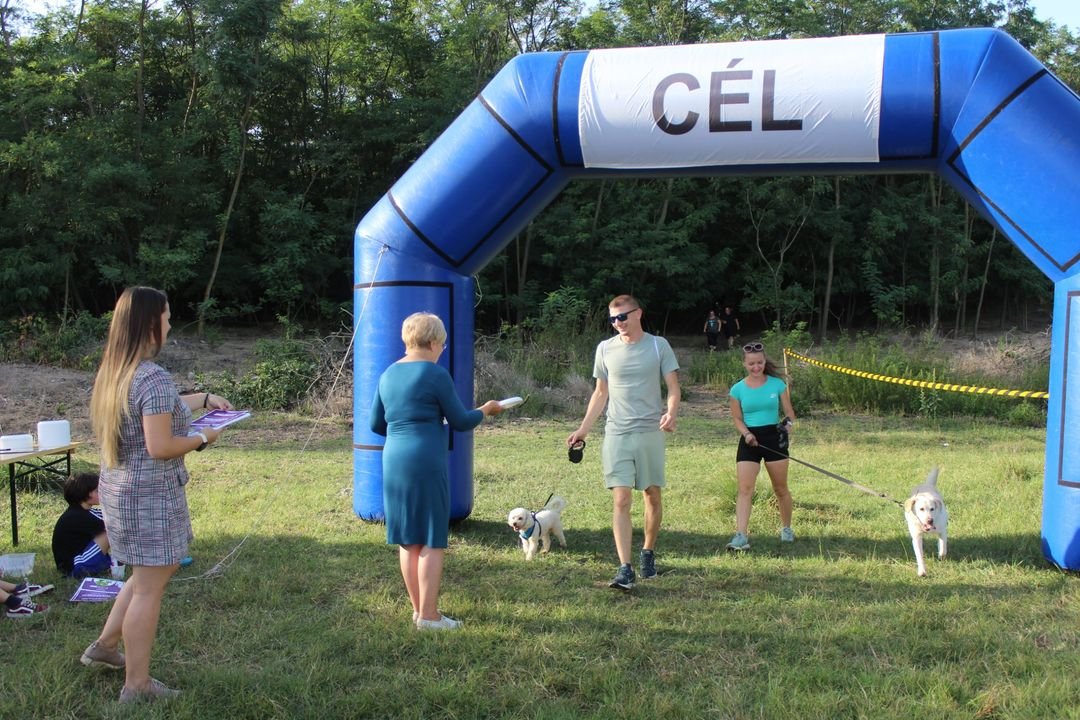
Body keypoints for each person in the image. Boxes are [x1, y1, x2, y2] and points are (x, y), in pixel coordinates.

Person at [83, 286, 233, 703]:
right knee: (149, 587)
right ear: (151, 323)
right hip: (149, 497)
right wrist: (203, 436)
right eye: (167, 318)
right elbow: (161, 445)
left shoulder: (116, 371)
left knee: (144, 576)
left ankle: (105, 646)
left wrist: (203, 398)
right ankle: (137, 685)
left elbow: (157, 407)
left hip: (120, 492)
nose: (170, 325)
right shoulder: (151, 376)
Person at [369, 312, 504, 630]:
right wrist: (486, 410)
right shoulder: (435, 374)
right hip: (425, 459)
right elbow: (461, 421)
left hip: (394, 458)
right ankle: (429, 616)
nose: (442, 349)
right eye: (442, 344)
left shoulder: (388, 373)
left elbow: (376, 424)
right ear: (431, 343)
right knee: (431, 536)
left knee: (408, 538)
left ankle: (418, 611)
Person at [567, 295, 680, 590]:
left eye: (622, 317)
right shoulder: (605, 348)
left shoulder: (658, 346)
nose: (617, 323)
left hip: (649, 432)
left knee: (651, 494)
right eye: (613, 319)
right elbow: (600, 392)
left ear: (638, 313)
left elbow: (673, 387)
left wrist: (671, 413)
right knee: (621, 498)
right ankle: (625, 568)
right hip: (617, 432)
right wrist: (583, 429)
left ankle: (647, 552)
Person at [726, 341, 796, 551]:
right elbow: (737, 418)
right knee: (745, 489)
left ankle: (786, 528)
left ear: (765, 362)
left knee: (780, 488)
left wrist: (787, 426)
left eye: (759, 363)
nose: (756, 367)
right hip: (750, 439)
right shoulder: (737, 389)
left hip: (774, 438)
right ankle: (741, 535)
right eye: (751, 364)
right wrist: (747, 434)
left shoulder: (777, 385)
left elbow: (790, 414)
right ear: (744, 364)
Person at [52, 472, 114, 577]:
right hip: (74, 568)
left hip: (75, 563)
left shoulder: (83, 511)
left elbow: (110, 515)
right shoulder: (77, 516)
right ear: (85, 494)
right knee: (111, 530)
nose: (102, 492)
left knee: (114, 524)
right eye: (97, 490)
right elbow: (116, 523)